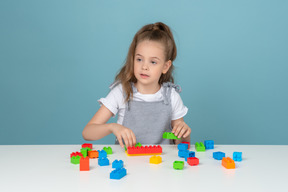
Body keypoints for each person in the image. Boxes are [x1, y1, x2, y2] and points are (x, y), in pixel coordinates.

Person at [82, 22, 191, 148]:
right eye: (139, 59)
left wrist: (184, 133)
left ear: (165, 66)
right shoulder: (122, 92)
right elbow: (87, 132)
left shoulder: (172, 96)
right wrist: (113, 127)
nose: (144, 66)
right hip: (128, 163)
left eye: (153, 62)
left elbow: (183, 145)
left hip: (162, 164)